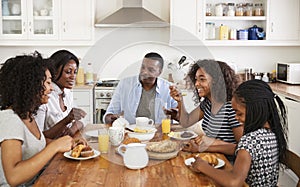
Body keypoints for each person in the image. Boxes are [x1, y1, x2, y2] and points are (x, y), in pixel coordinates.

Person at [189, 79, 288, 186]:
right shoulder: (271, 132)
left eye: (239, 114)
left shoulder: (250, 140)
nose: (236, 118)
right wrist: (201, 148)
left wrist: (203, 167)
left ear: (255, 111)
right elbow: (238, 149)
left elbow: (234, 182)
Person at [0, 52, 75, 186]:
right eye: (47, 82)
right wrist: (55, 147)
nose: (51, 88)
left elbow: (36, 143)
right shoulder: (10, 120)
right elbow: (13, 177)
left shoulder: (27, 115)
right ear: (30, 85)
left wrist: (69, 143)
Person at [169, 60, 243, 160]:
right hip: (212, 157)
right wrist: (180, 101)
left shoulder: (231, 107)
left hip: (229, 165)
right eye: (195, 80)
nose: (196, 84)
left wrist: (213, 143)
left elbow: (243, 148)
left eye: (202, 79)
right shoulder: (208, 103)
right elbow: (186, 122)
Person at [104, 52, 178, 125]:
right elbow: (110, 113)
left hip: (158, 133)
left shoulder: (169, 88)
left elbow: (179, 118)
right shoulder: (124, 84)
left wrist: (176, 114)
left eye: (151, 70)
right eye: (143, 67)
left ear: (159, 72)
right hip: (130, 133)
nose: (144, 72)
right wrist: (110, 118)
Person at [35, 49, 86, 139]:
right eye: (68, 72)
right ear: (54, 71)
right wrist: (66, 121)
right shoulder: (44, 96)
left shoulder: (67, 92)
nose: (73, 77)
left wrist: (71, 130)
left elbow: (80, 122)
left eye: (75, 72)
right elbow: (38, 139)